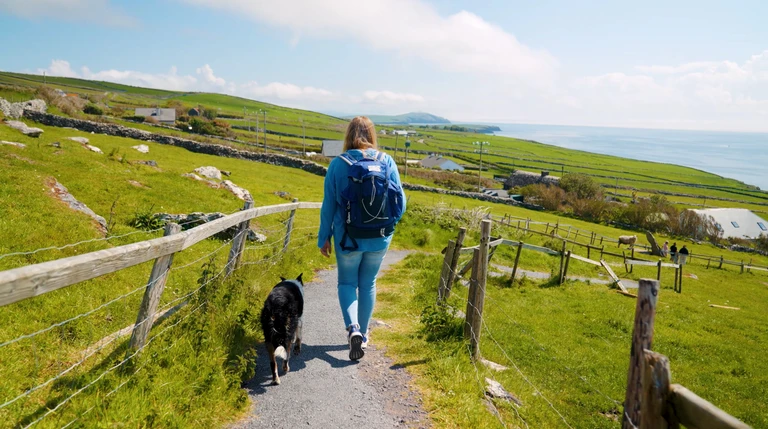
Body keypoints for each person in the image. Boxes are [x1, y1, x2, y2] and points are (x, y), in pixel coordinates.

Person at [317, 116, 406, 361]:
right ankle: (364, 336)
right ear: (372, 135)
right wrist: (388, 228)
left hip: (348, 238)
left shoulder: (338, 164)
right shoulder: (387, 161)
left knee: (347, 283)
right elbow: (401, 203)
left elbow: (329, 206)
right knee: (368, 283)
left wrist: (324, 238)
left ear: (348, 135)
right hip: (379, 237)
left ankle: (353, 328)